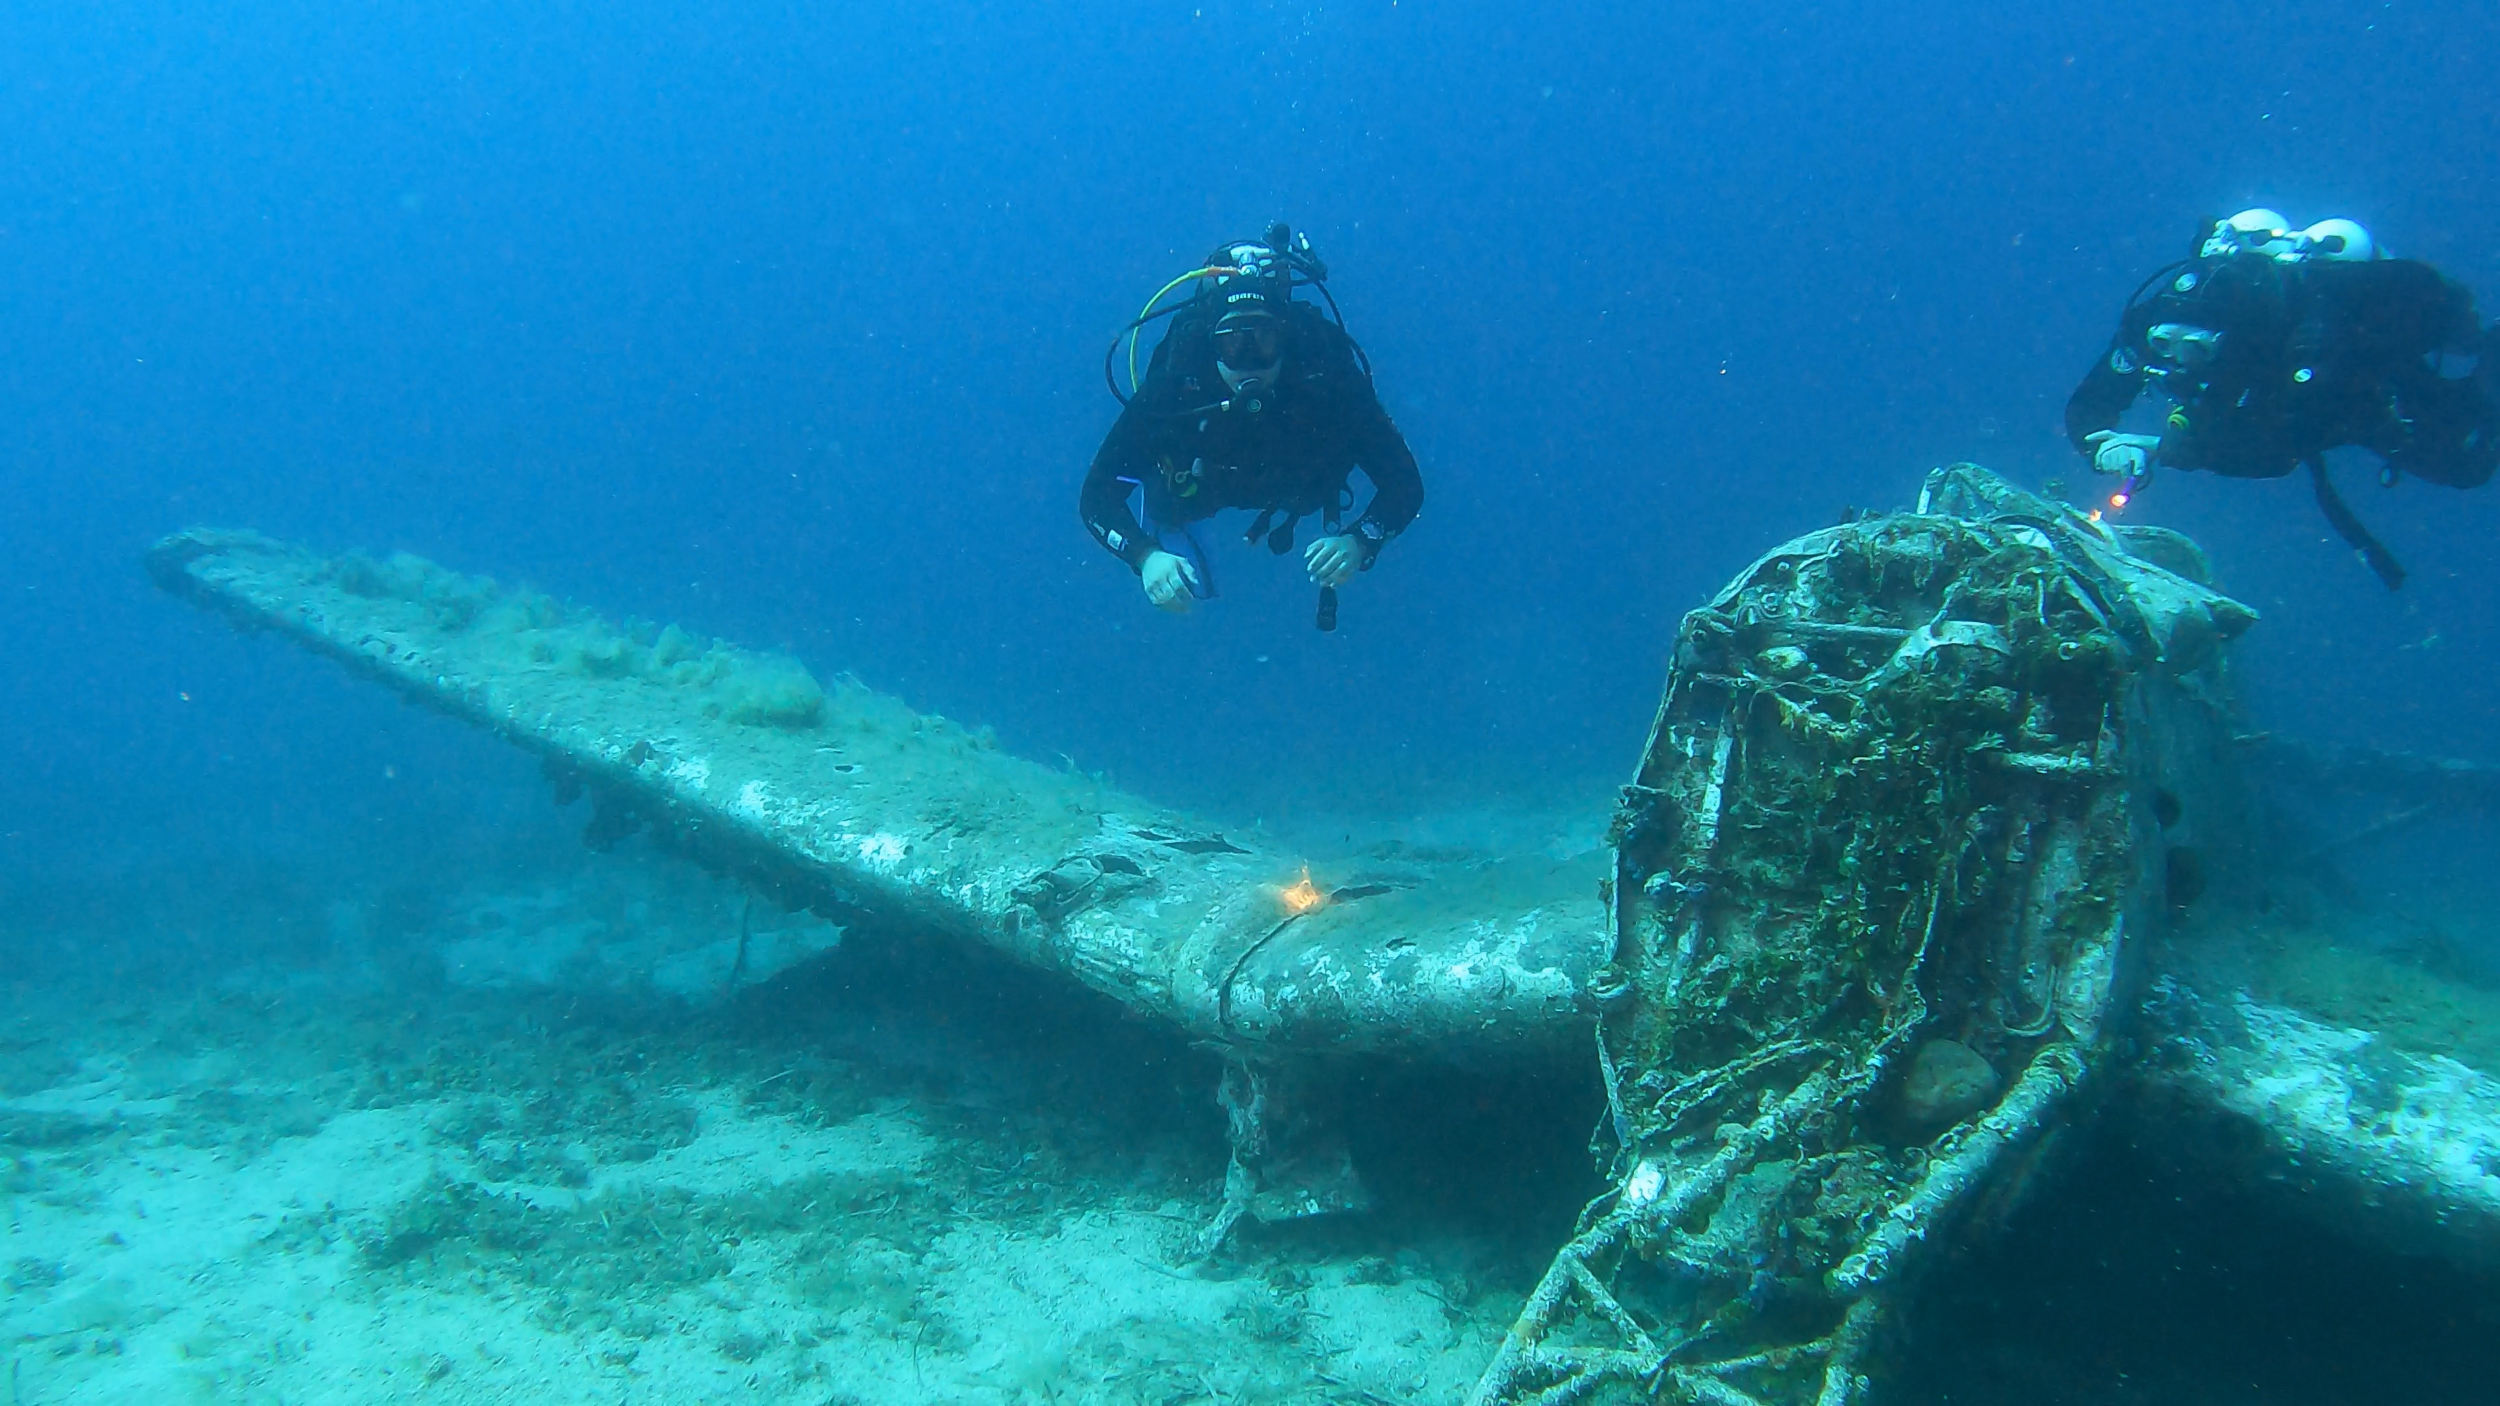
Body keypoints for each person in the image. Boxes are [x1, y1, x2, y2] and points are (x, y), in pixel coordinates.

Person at [2065, 208, 2499, 588]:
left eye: (2196, 348)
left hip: (2346, 390)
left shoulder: (2310, 338)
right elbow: (2092, 400)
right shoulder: (2156, 316)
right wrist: (2100, 445)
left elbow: (2281, 451)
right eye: (2165, 345)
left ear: (2231, 339)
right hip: (2279, 398)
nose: (2178, 361)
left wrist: (2168, 447)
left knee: (2464, 466)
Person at [1081, 223, 1422, 629]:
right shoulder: (1175, 388)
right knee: (1166, 500)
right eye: (1231, 343)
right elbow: (1097, 497)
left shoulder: (1327, 379)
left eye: (1263, 341)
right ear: (1211, 346)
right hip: (1197, 489)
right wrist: (1145, 556)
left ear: (1286, 339)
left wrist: (1360, 540)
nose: (1248, 359)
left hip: (1296, 490)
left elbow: (1405, 484)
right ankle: (1170, 529)